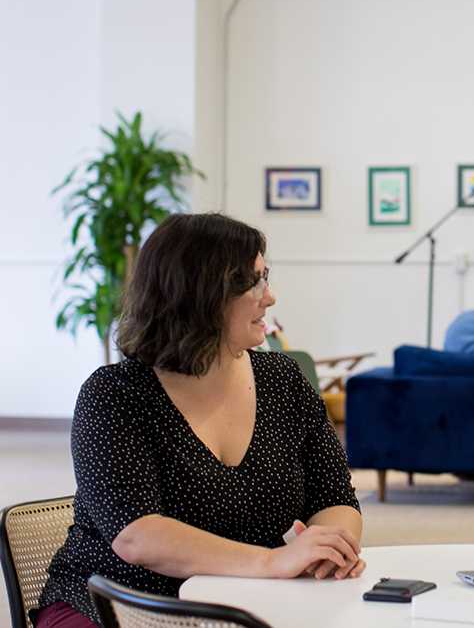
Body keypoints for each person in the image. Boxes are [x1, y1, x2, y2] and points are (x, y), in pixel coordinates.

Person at [36, 213, 365, 628]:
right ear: (200, 295)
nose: (271, 296)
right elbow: (137, 536)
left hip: (250, 602)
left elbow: (335, 496)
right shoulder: (114, 394)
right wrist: (273, 561)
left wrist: (330, 547)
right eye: (253, 282)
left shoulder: (284, 381)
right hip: (120, 605)